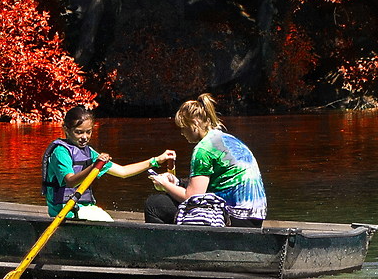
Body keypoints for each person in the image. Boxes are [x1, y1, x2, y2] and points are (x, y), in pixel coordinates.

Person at [146, 94, 267, 226]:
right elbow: (212, 182)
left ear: (194, 124)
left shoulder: (203, 149)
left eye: (183, 127)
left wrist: (165, 184)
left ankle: (169, 245)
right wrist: (177, 182)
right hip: (255, 217)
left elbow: (192, 196)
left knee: (154, 204)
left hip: (234, 218)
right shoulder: (227, 139)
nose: (182, 133)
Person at [42, 105, 174, 221]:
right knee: (104, 221)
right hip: (63, 211)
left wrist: (155, 160)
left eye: (88, 132)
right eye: (78, 132)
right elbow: (70, 181)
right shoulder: (60, 152)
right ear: (66, 129)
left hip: (81, 208)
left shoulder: (89, 151)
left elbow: (123, 172)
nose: (84, 137)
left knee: (106, 220)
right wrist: (95, 166)